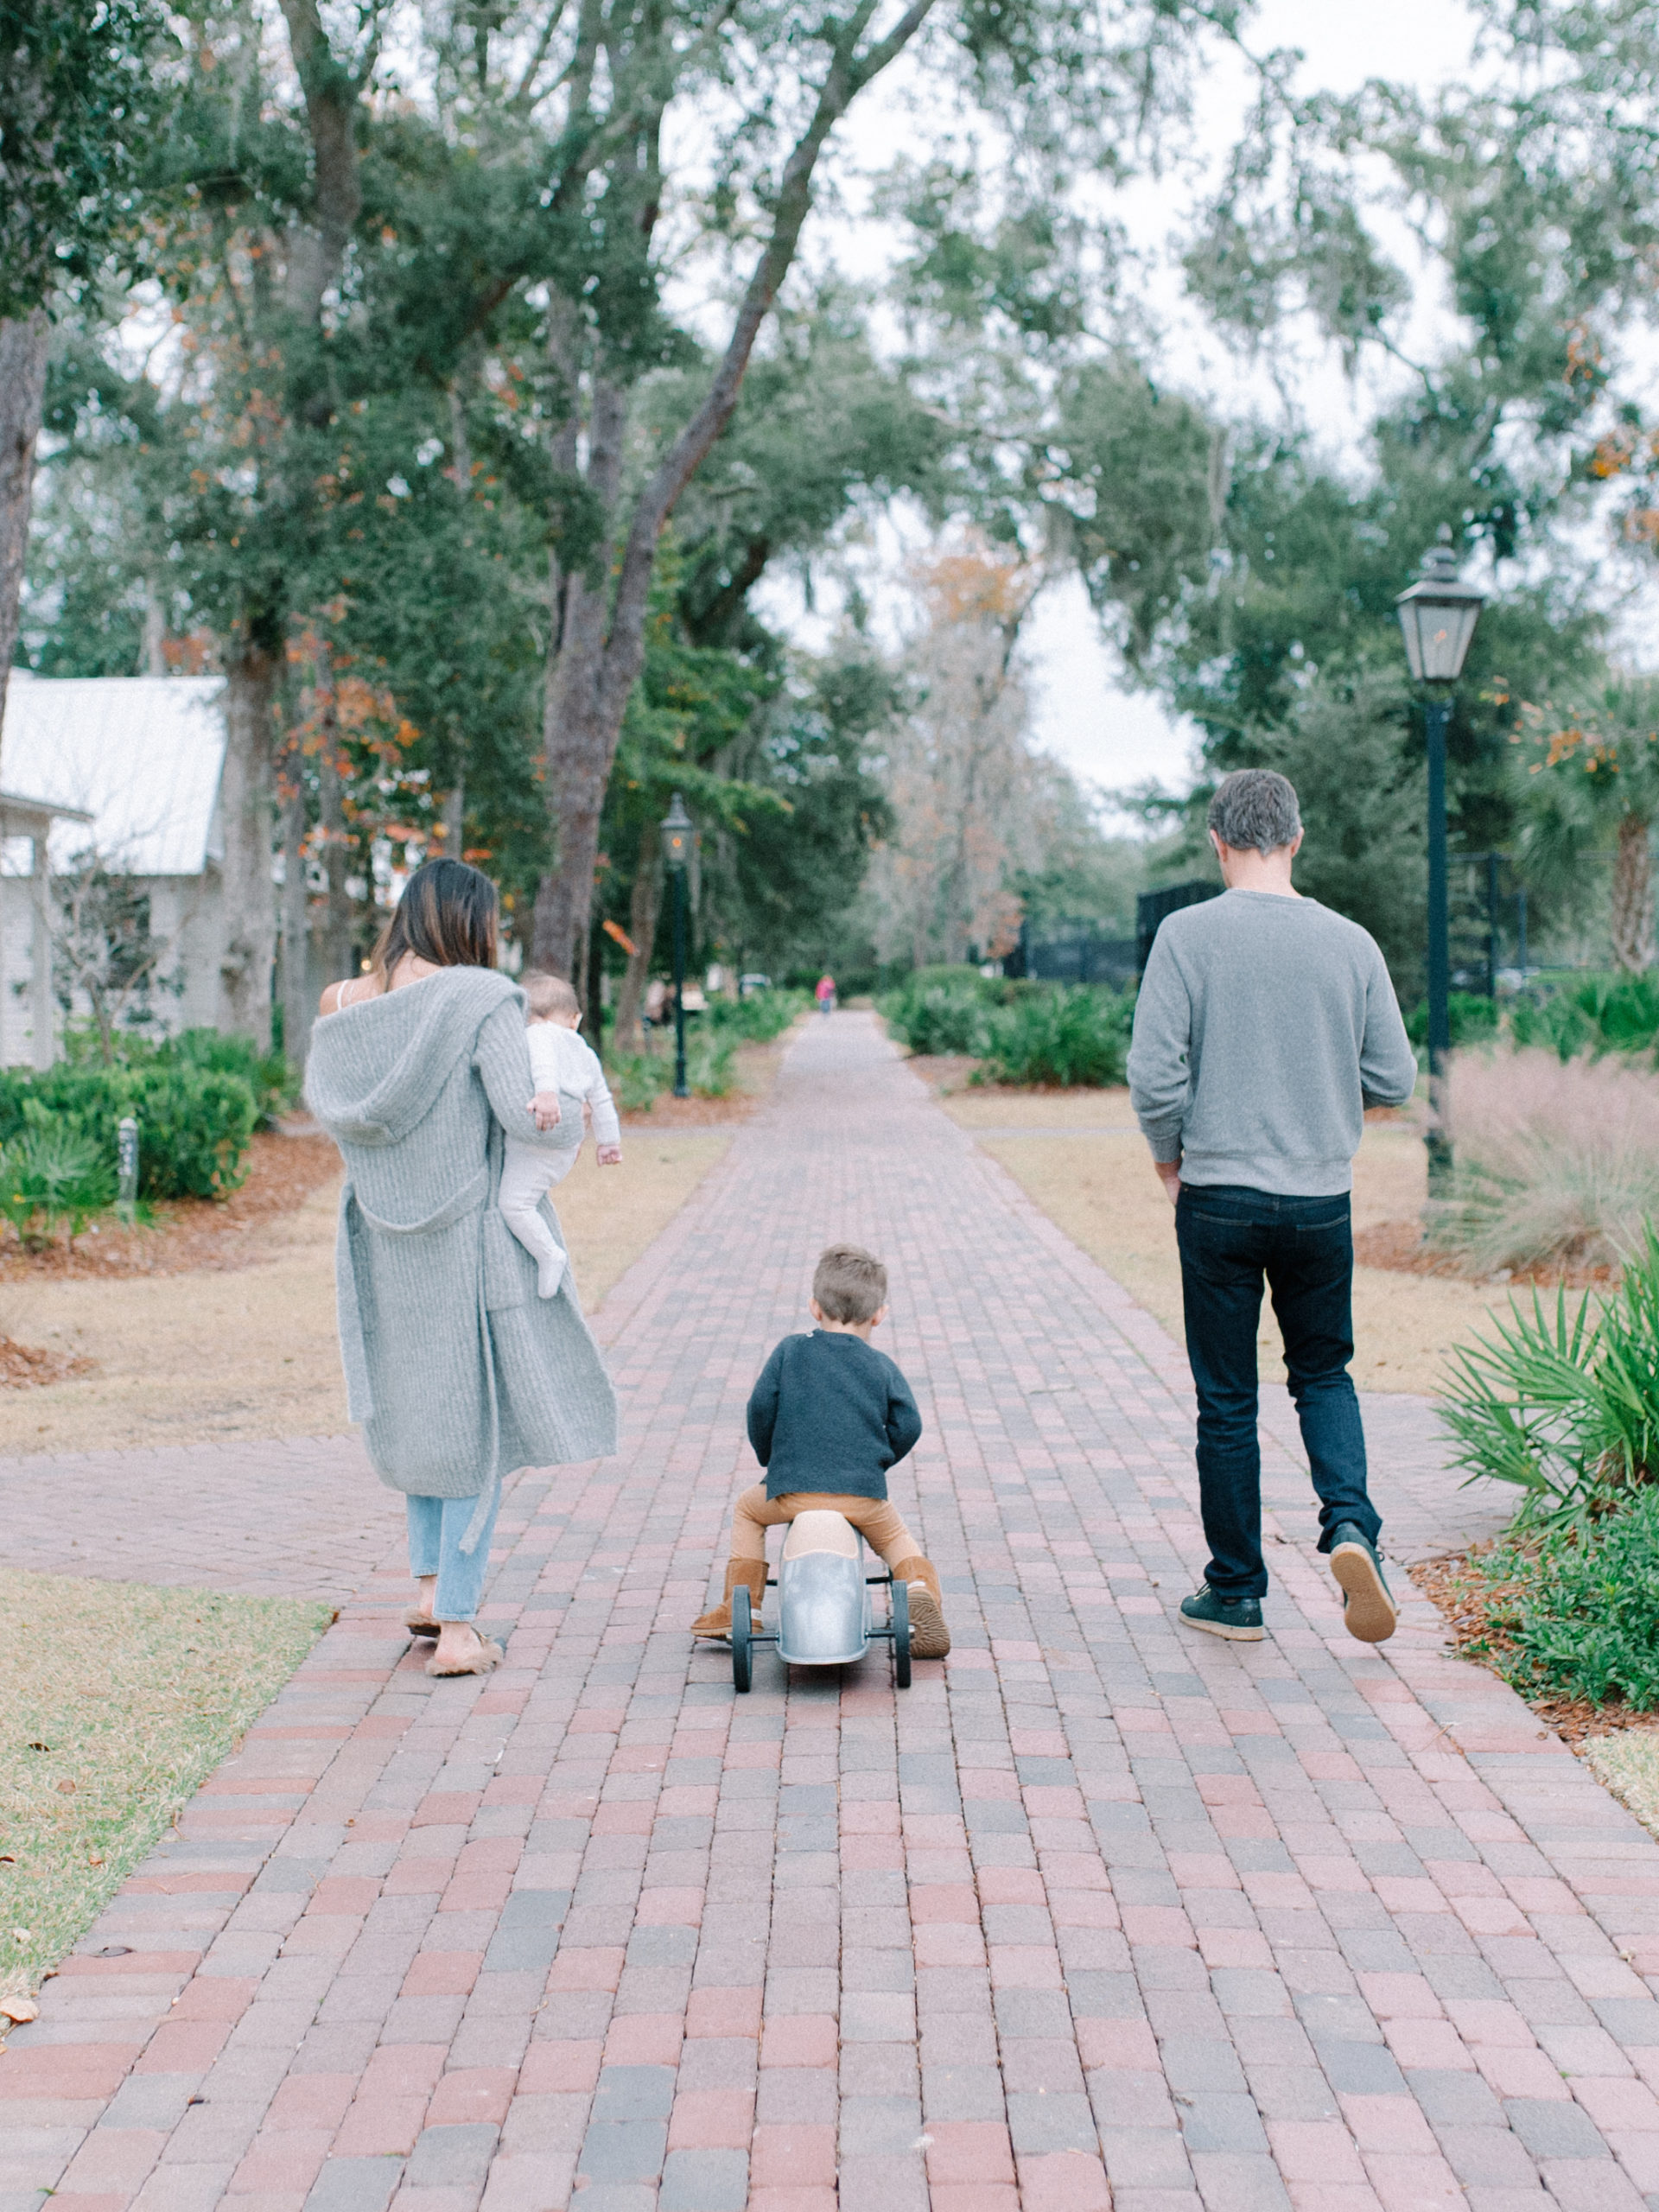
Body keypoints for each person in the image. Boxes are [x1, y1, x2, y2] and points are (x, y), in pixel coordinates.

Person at [1127, 768, 1418, 1646]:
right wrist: (1323, 1107)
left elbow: (1154, 1074)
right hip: (1321, 1198)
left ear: (1218, 843)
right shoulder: (1351, 943)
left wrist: (1170, 1157)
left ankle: (1238, 1591)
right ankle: (1352, 1526)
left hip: (1218, 1196)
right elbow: (1394, 1078)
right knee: (1324, 1372)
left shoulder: (1186, 935)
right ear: (1295, 839)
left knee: (1227, 1397)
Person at [307, 859, 617, 1679]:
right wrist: (575, 1096)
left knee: (419, 1408)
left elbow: (336, 1110)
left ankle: (429, 1586)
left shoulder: (341, 1003)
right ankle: (458, 1629)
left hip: (379, 1238)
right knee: (475, 1420)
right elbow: (522, 1110)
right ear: (470, 923)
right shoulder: (484, 1000)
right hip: (470, 1235)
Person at [691, 1242, 951, 1658]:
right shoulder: (880, 1365)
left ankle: (742, 1609)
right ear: (879, 1315)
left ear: (815, 1307)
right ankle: (920, 1593)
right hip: (863, 1496)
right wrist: (876, 1460)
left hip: (792, 1492)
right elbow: (910, 1424)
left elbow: (760, 1409)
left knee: (746, 1509)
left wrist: (772, 1461)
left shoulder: (790, 1351)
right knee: (898, 1539)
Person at [499, 971, 622, 1300]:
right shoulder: (586, 1052)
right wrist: (609, 1142)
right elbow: (601, 1099)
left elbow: (543, 1064)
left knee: (514, 1205)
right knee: (527, 1194)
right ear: (575, 1018)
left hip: (540, 1134)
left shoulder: (537, 1033)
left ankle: (548, 1254)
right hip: (567, 1149)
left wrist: (547, 1094)